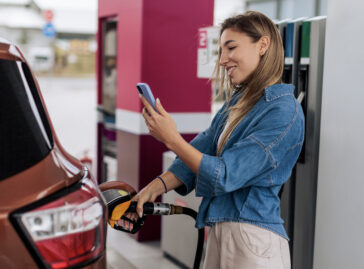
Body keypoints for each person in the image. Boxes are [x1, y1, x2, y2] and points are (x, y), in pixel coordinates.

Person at [118, 10, 304, 269]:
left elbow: (225, 174)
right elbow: (197, 153)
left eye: (231, 47)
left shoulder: (284, 111)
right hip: (220, 229)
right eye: (221, 50)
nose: (223, 59)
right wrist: (153, 189)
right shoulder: (237, 103)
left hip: (253, 240)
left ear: (263, 44)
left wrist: (172, 139)